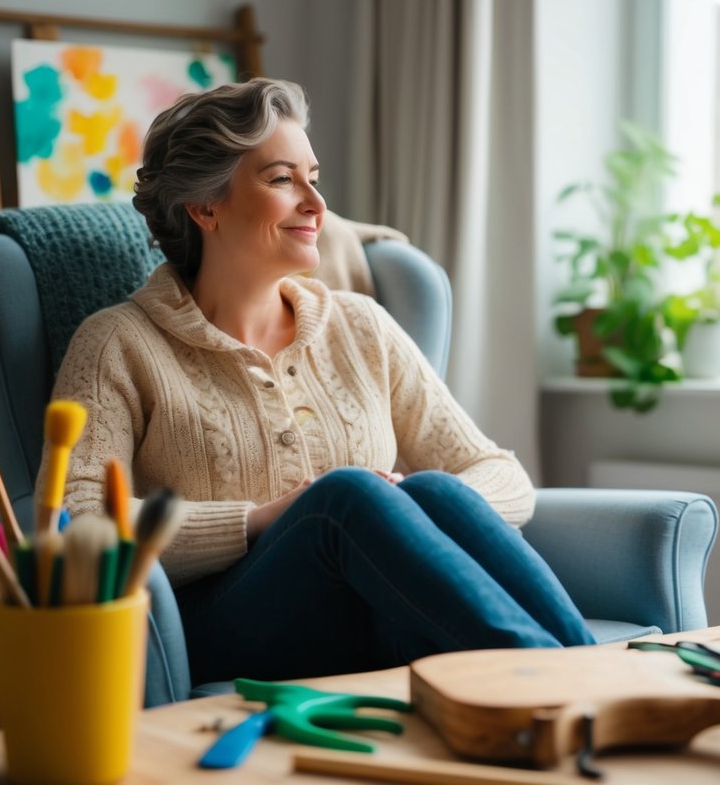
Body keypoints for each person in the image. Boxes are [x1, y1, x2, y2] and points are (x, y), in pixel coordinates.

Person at [40, 78, 595, 684]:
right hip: (225, 625)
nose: (316, 203)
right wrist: (266, 517)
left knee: (433, 490)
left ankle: (599, 677)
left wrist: (403, 510)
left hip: (380, 613)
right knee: (346, 497)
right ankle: (569, 688)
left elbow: (501, 474)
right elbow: (73, 525)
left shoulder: (360, 326)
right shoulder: (118, 343)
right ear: (205, 207)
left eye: (314, 177)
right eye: (282, 179)